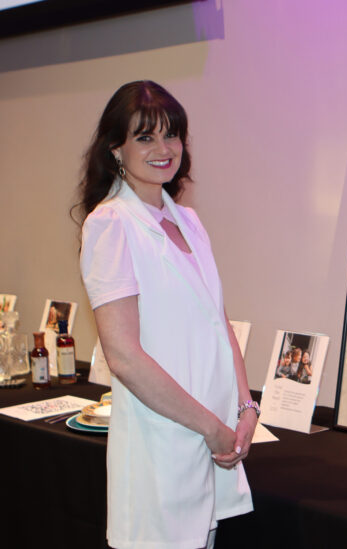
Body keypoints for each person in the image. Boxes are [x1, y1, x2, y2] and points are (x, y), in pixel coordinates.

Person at [76, 81, 256, 549]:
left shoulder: (189, 221)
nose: (163, 149)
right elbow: (124, 358)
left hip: (210, 441)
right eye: (145, 137)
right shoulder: (110, 224)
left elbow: (220, 324)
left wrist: (245, 408)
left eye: (172, 135)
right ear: (115, 148)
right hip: (163, 447)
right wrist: (211, 427)